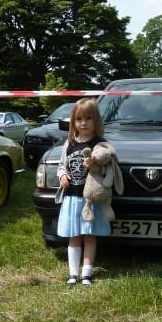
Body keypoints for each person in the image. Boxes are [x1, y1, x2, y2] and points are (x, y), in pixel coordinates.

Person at [55, 98, 112, 285]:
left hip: (90, 200)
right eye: (79, 119)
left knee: (89, 236)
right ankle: (73, 274)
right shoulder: (70, 143)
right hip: (72, 197)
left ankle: (87, 274)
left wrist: (96, 168)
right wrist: (62, 175)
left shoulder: (100, 144)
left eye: (88, 118)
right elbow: (61, 165)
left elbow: (109, 169)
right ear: (73, 122)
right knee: (74, 236)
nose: (83, 123)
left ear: (96, 121)